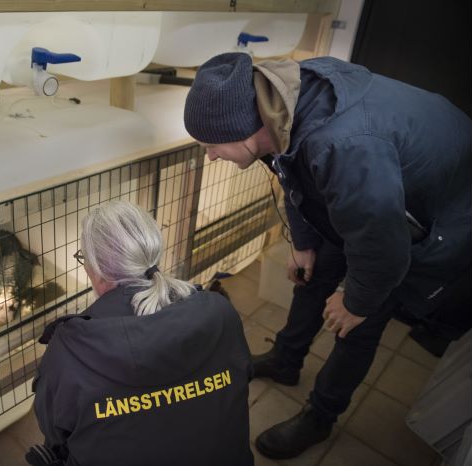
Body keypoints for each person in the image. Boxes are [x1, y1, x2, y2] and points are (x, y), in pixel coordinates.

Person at [183, 52, 471, 459]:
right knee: (311, 272)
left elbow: (385, 250)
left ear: (242, 129)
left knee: (358, 324)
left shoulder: (342, 145)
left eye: (211, 145)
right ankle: (286, 360)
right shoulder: (277, 103)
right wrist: (302, 242)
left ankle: (320, 416)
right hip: (373, 197)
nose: (209, 156)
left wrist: (355, 300)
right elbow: (290, 169)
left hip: (435, 212)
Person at [28, 200, 254, 466]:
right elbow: (243, 375)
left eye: (83, 258)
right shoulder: (221, 313)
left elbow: (54, 432)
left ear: (96, 270)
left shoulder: (69, 350)